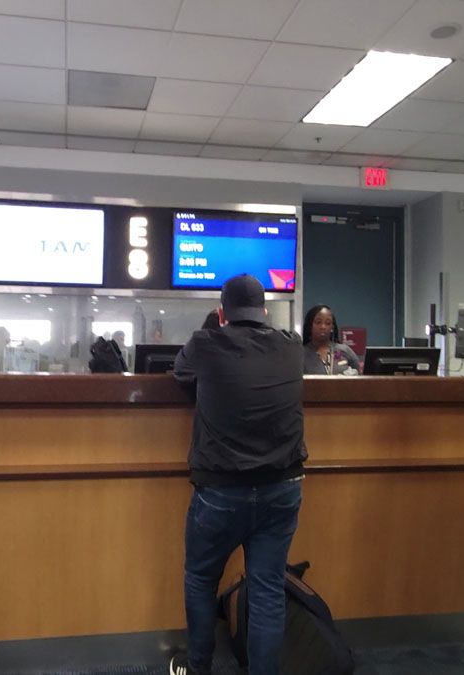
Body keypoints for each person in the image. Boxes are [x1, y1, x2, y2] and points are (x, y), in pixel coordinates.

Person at [168, 274, 306, 675]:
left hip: (221, 490)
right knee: (266, 590)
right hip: (283, 486)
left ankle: (198, 667)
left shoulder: (205, 343)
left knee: (200, 579)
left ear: (221, 312)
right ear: (264, 311)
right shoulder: (292, 345)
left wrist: (213, 331)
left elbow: (181, 375)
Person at [301, 304, 359, 375]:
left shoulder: (345, 351)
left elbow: (360, 378)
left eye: (328, 323)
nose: (323, 327)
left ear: (332, 328)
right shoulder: (300, 354)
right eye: (318, 322)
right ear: (310, 326)